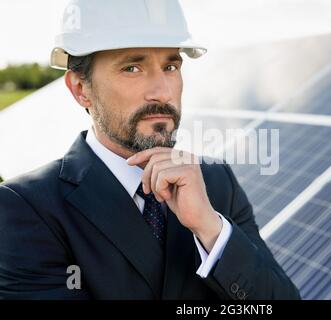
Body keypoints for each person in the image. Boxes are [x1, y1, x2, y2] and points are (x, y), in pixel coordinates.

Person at [0, 0, 300, 300]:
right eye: (132, 68)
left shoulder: (218, 184)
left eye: (171, 66)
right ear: (81, 89)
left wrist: (211, 230)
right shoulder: (24, 208)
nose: (163, 91)